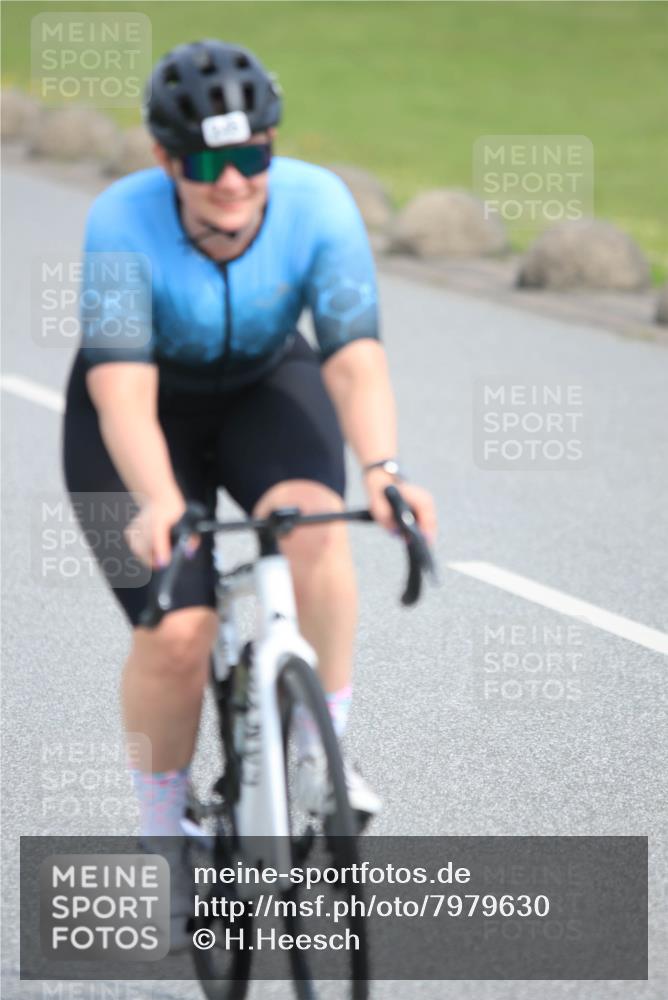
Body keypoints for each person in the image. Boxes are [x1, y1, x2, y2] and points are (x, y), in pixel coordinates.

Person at [63, 39, 437, 845]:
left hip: (266, 384)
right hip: (138, 413)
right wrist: (161, 499)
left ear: (270, 143)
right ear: (166, 159)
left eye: (250, 156)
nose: (231, 181)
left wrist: (384, 470)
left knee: (313, 526)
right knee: (177, 634)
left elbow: (353, 358)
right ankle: (167, 836)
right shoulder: (119, 221)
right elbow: (124, 392)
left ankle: (319, 749)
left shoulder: (320, 205)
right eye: (204, 165)